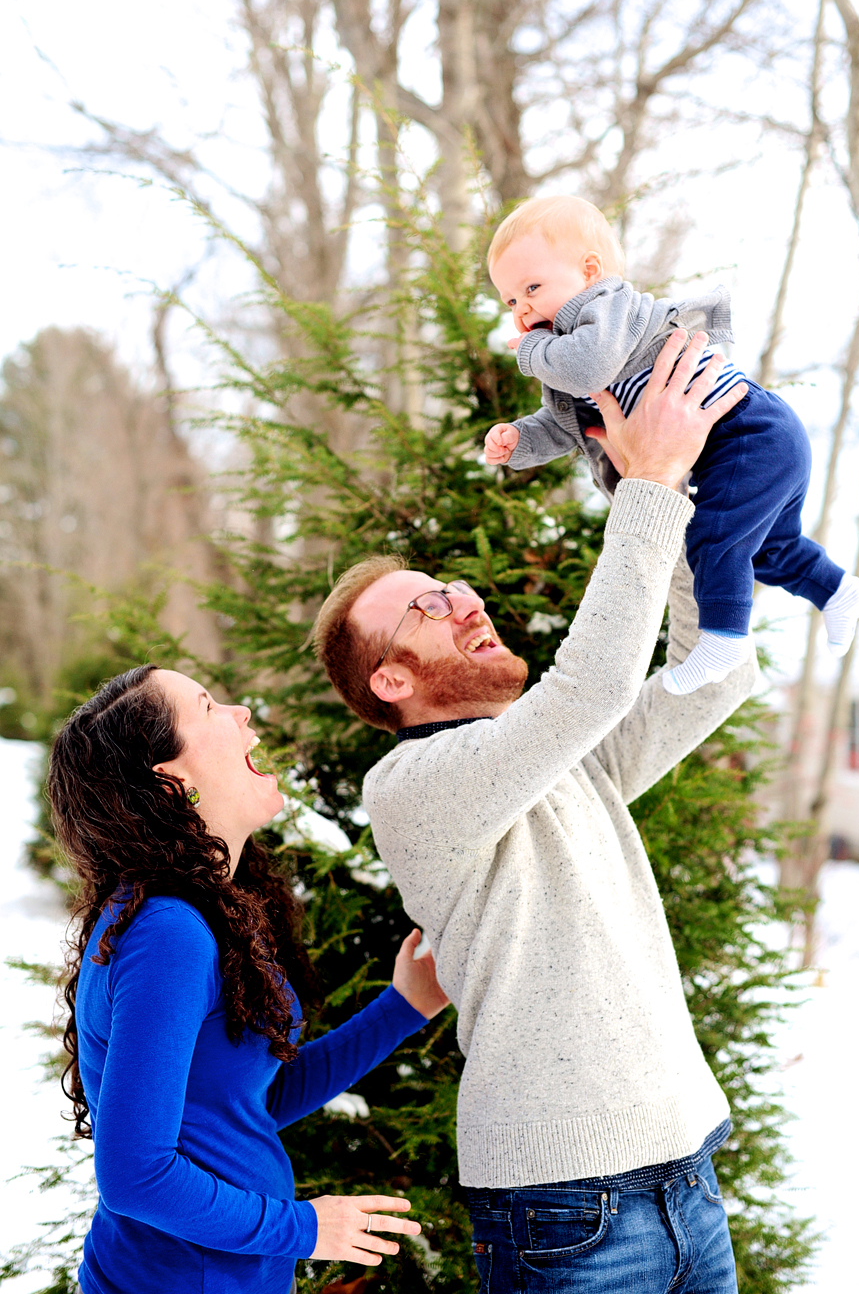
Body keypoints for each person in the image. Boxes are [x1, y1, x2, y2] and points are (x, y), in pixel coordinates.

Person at [312, 333, 757, 1294]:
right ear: (391, 678)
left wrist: (688, 492)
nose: (464, 597)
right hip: (564, 1211)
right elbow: (590, 687)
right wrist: (645, 483)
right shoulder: (413, 787)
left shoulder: (558, 760)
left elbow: (708, 674)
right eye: (429, 605)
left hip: (687, 1170)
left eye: (451, 583)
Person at [48, 664, 449, 1294]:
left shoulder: (195, 914)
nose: (243, 717)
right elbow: (135, 1176)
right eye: (208, 708)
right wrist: (306, 1229)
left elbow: (244, 1104)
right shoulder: (168, 933)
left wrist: (403, 1007)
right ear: (172, 781)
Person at [483, 194, 859, 695]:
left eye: (532, 287)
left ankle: (723, 636)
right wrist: (521, 440)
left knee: (715, 537)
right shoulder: (566, 352)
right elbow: (573, 426)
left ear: (590, 271)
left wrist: (532, 349)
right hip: (757, 444)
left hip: (750, 432)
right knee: (769, 549)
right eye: (511, 300)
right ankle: (836, 590)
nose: (523, 308)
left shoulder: (607, 309)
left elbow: (591, 367)